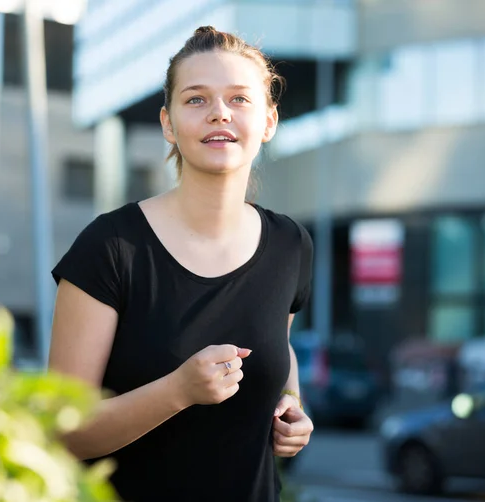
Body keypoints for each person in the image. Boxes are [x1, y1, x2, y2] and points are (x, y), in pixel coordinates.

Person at [49, 25, 314, 502]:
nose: (219, 114)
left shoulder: (291, 244)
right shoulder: (110, 246)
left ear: (269, 121)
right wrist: (178, 391)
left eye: (239, 99)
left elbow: (282, 346)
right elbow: (64, 431)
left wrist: (291, 406)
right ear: (168, 124)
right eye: (196, 99)